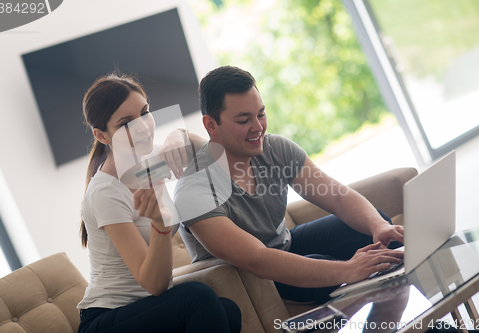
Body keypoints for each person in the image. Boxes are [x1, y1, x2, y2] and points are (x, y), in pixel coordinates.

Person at [173, 65, 404, 305]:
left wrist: (377, 225)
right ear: (211, 125)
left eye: (260, 114)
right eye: (243, 120)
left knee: (380, 232)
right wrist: (348, 269)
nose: (258, 128)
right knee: (327, 266)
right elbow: (257, 259)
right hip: (252, 279)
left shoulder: (275, 149)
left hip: (286, 245)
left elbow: (337, 197)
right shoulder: (193, 193)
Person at [77, 73, 241, 333]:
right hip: (107, 318)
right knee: (196, 298)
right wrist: (160, 223)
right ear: (102, 136)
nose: (142, 126)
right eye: (126, 123)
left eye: (145, 112)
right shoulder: (106, 193)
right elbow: (155, 285)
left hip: (151, 309)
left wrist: (179, 134)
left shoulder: (151, 157)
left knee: (229, 311)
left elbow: (218, 157)